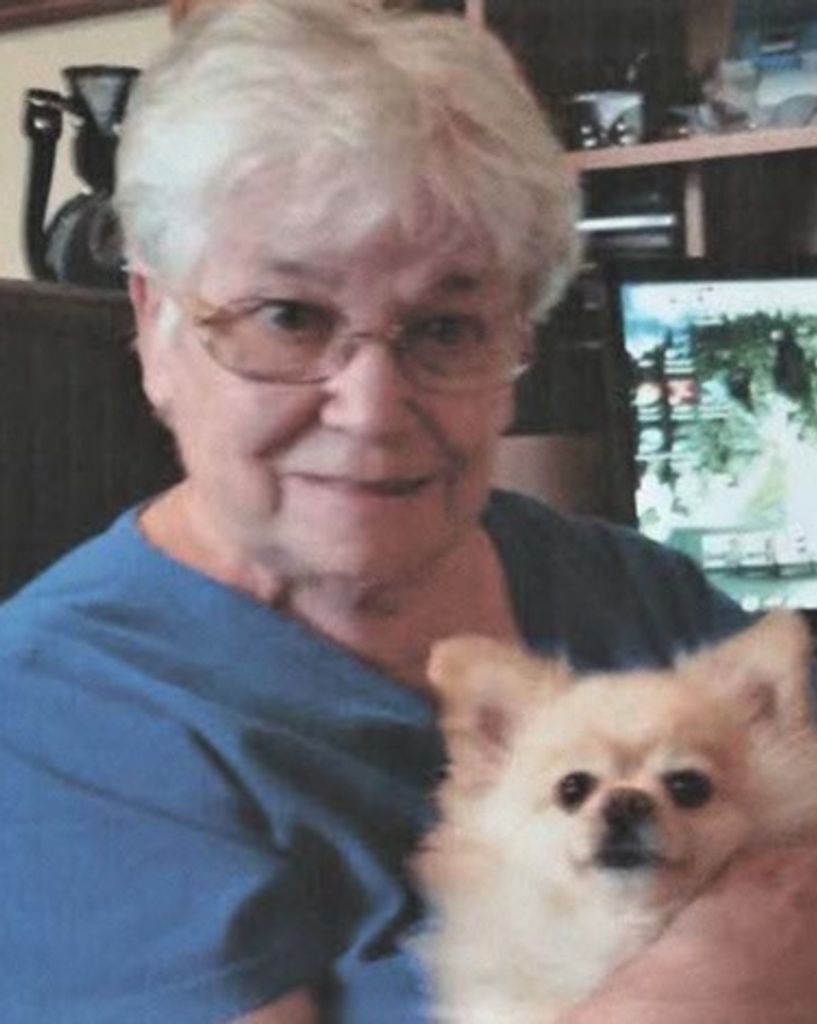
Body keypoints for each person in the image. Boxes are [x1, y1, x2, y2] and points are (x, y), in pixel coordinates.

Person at [1, 2, 816, 1022]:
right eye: (289, 317)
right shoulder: (56, 722)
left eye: (445, 327)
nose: (373, 408)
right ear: (154, 325)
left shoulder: (631, 589)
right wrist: (710, 980)